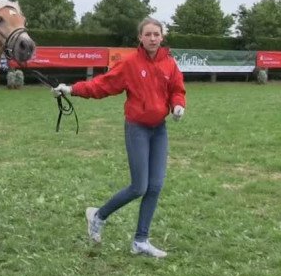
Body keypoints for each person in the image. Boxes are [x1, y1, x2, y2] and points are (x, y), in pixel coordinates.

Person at [52, 18, 186, 258]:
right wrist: (72, 89)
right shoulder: (130, 64)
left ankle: (140, 241)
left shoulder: (170, 64)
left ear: (162, 37)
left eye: (157, 34)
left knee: (155, 186)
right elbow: (102, 85)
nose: (153, 38)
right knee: (139, 186)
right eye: (148, 34)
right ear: (140, 38)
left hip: (159, 129)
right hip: (137, 129)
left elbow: (177, 89)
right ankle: (98, 215)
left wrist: (178, 105)